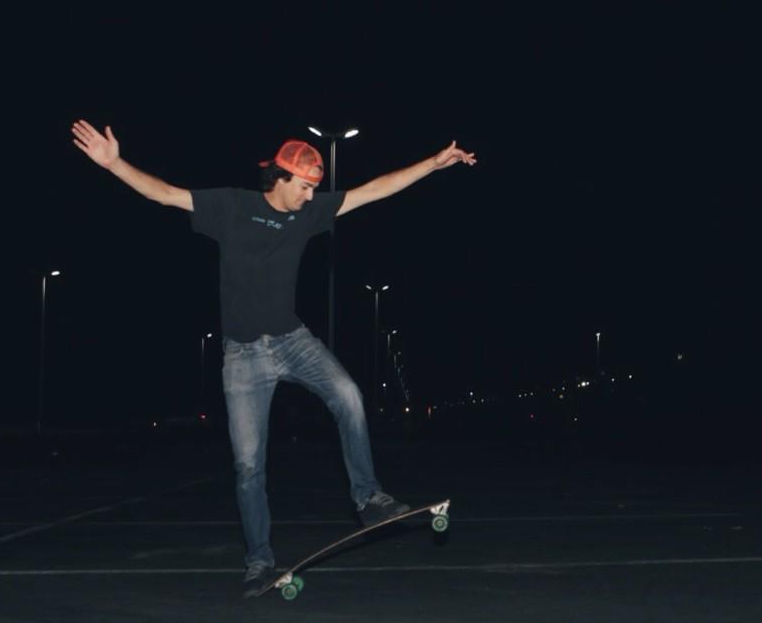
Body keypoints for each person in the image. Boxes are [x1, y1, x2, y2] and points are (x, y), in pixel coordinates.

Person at [71, 119, 476, 597]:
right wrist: (115, 163)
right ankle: (259, 563)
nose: (310, 198)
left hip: (292, 340)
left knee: (348, 394)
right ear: (280, 179)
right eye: (304, 188)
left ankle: (369, 498)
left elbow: (373, 191)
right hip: (243, 358)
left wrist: (433, 162)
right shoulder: (230, 206)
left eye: (314, 191)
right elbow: (166, 195)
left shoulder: (308, 213)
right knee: (248, 466)